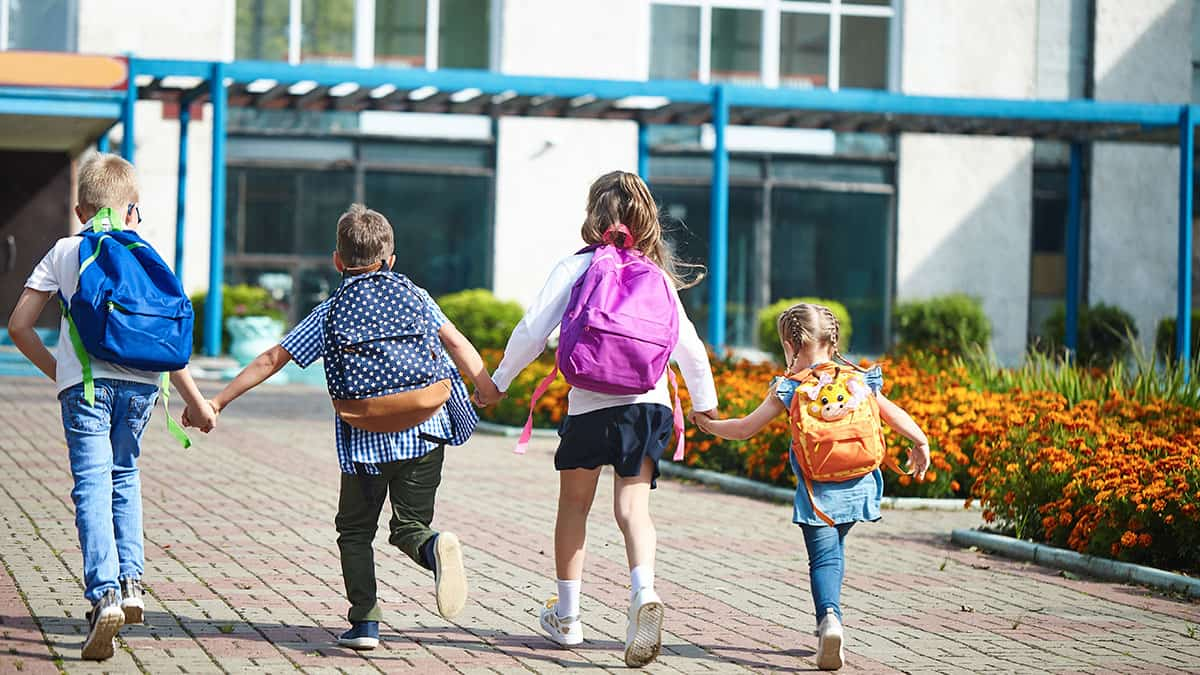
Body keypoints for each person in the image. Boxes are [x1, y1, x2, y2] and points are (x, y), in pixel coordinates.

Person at [199, 204, 500, 651]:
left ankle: (365, 623)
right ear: (391, 258)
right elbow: (455, 341)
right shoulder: (416, 295)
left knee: (356, 531)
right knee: (409, 525)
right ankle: (431, 545)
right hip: (427, 426)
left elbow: (272, 359)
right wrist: (486, 387)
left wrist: (218, 399)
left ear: (337, 261)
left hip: (365, 441)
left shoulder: (330, 311)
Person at [482, 171, 718, 667]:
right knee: (633, 510)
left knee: (574, 507)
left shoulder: (575, 268)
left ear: (593, 215)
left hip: (590, 405)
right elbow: (690, 347)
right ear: (647, 220)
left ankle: (568, 618)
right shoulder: (657, 278)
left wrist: (499, 382)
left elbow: (531, 330)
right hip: (647, 405)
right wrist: (704, 404)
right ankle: (642, 592)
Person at [6, 153, 216, 661]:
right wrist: (199, 405)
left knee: (92, 485)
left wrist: (60, 373)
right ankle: (131, 584)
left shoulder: (66, 250)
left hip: (87, 390)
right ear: (132, 211)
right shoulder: (147, 254)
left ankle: (103, 596)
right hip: (143, 391)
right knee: (125, 475)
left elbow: (19, 325)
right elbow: (167, 347)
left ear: (81, 210)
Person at [694, 303, 931, 671]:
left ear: (791, 344)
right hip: (860, 485)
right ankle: (830, 618)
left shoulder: (789, 388)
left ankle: (829, 620)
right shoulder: (859, 380)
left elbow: (744, 429)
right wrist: (920, 442)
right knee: (836, 553)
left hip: (817, 490)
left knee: (823, 558)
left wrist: (708, 425)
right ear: (832, 341)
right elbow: (892, 412)